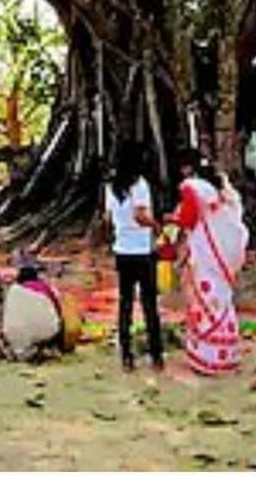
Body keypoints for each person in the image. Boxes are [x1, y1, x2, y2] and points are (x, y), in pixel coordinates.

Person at [167, 148, 248, 376]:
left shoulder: (192, 187)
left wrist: (171, 219)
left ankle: (206, 356)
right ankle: (227, 353)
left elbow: (188, 218)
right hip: (221, 255)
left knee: (204, 298)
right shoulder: (219, 187)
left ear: (186, 168)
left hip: (205, 254)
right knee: (221, 299)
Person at [105, 142, 163, 372]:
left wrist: (120, 228)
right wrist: (156, 225)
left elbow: (107, 217)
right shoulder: (140, 184)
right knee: (149, 304)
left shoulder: (111, 186)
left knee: (125, 303)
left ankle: (126, 356)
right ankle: (156, 355)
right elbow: (140, 216)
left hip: (122, 250)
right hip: (142, 251)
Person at [2, 266, 66, 362]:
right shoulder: (45, 287)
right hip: (46, 331)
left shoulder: (13, 290)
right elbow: (57, 308)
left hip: (16, 335)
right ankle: (55, 348)